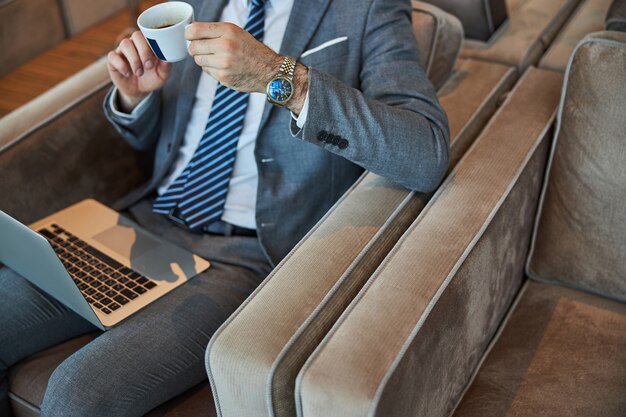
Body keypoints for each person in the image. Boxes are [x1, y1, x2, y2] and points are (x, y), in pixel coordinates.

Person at [0, 0, 450, 415]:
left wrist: (282, 77)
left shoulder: (367, 7)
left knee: (76, 395)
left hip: (242, 257)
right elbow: (165, 136)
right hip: (142, 223)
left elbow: (425, 153)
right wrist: (136, 98)